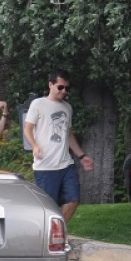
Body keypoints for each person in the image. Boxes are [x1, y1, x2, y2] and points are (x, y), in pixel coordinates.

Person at [23, 70, 95, 222]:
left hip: (66, 164)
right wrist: (35, 146)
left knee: (73, 199)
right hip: (46, 167)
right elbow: (27, 129)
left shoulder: (67, 107)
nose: (64, 91)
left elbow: (68, 134)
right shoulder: (38, 104)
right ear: (50, 85)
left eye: (67, 88)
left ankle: (58, 232)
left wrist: (82, 156)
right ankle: (48, 235)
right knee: (48, 207)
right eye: (60, 87)